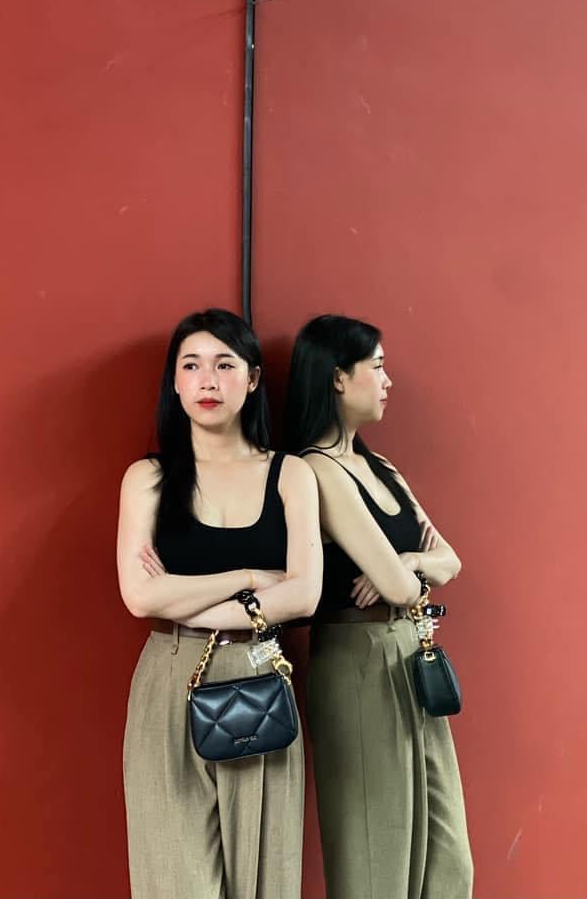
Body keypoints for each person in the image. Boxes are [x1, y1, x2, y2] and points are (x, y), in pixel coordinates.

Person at [117, 308, 322, 899]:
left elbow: (304, 593)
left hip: (260, 673)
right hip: (169, 677)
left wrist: (182, 599)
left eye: (225, 365)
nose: (208, 380)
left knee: (264, 875)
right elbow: (139, 596)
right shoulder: (148, 478)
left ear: (252, 379)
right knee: (171, 874)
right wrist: (250, 577)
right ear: (175, 382)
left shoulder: (291, 474)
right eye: (192, 365)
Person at [285, 314, 473, 899]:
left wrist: (412, 563)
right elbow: (396, 586)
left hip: (412, 652)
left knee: (448, 860)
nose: (388, 381)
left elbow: (449, 561)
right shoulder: (317, 469)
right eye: (379, 366)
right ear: (338, 377)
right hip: (356, 660)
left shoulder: (382, 468)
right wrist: (410, 572)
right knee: (377, 859)